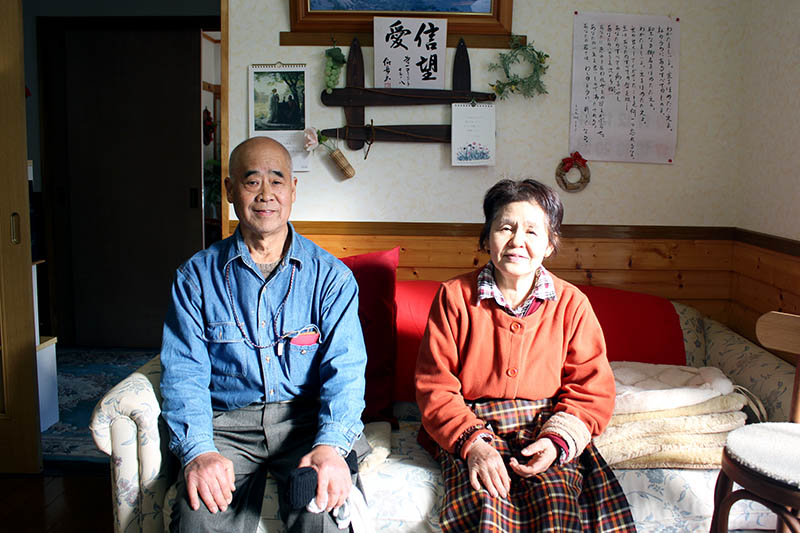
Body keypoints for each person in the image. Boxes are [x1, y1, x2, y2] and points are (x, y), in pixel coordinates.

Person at [160, 136, 368, 532]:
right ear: (229, 191)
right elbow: (182, 373)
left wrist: (329, 446)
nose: (266, 194)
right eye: (252, 181)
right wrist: (199, 450)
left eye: (277, 180)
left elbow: (347, 371)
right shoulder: (195, 278)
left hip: (305, 425)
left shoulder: (332, 277)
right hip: (226, 426)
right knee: (197, 518)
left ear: (293, 189)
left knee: (319, 510)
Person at [415, 178, 635, 532]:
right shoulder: (454, 297)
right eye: (505, 227)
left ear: (550, 244)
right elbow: (435, 388)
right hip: (473, 425)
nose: (518, 241)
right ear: (487, 238)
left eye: (533, 232)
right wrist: (475, 446)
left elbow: (591, 389)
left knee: (557, 508)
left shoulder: (572, 304)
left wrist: (554, 441)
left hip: (545, 425)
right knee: (486, 506)